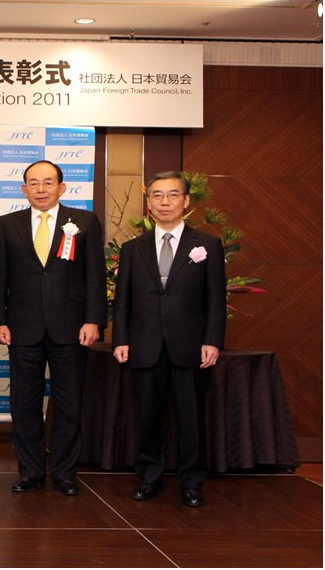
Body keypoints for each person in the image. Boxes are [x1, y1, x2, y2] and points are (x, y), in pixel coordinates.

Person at [0, 160, 107, 496]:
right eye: (33, 183)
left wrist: (93, 319)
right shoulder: (8, 224)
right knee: (23, 404)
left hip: (71, 328)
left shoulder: (84, 221)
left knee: (69, 403)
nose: (40, 190)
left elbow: (95, 275)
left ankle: (64, 472)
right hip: (21, 328)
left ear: (62, 187)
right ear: (23, 188)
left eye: (47, 183)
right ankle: (29, 471)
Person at [112, 171, 226, 508]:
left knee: (191, 418)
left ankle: (192, 482)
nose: (165, 202)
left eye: (172, 195)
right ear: (149, 204)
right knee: (147, 416)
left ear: (186, 201)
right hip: (144, 344)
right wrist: (120, 339)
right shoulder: (133, 248)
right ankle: (149, 478)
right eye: (158, 196)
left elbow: (215, 299)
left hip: (190, 346)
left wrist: (212, 340)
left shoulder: (206, 244)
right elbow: (122, 300)